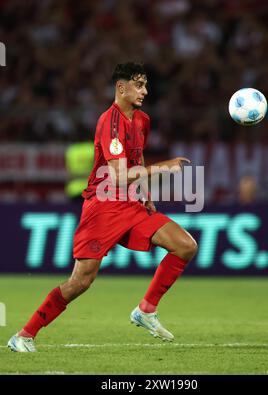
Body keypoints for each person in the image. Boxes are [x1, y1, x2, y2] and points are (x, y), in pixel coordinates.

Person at [7, 62, 198, 352]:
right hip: (103, 208)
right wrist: (164, 167)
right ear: (121, 88)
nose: (145, 91)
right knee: (80, 281)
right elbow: (119, 174)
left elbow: (137, 159)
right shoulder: (109, 122)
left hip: (131, 205)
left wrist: (145, 193)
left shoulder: (142, 120)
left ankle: (145, 310)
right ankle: (24, 334)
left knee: (185, 245)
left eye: (146, 85)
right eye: (139, 85)